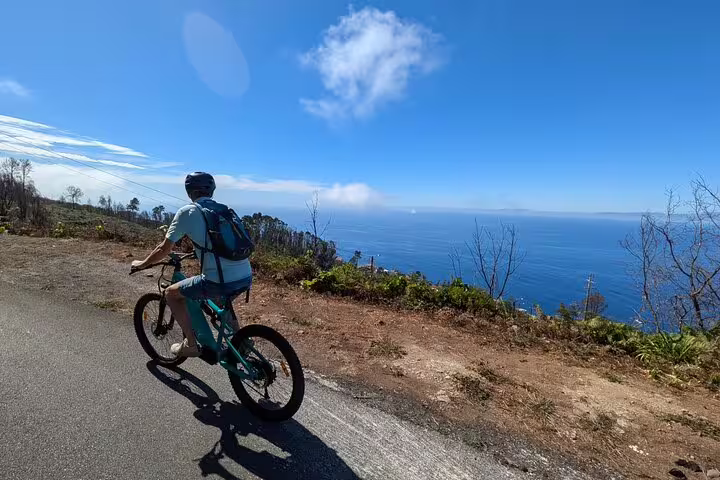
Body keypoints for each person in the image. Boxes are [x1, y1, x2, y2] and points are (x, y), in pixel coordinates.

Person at [131, 172, 252, 357]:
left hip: (217, 280)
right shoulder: (224, 210)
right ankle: (241, 341)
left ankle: (190, 344)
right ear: (211, 191)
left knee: (171, 294)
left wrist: (142, 264)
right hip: (245, 275)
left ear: (189, 191)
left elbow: (163, 249)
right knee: (220, 300)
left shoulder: (188, 212)